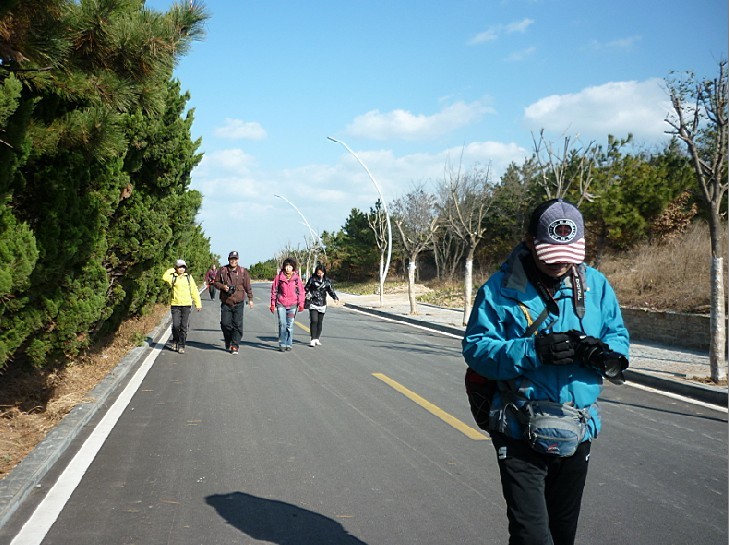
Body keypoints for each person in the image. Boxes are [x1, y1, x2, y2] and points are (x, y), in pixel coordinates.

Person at [462, 199, 629, 545]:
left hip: (577, 428)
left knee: (562, 534)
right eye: (552, 255)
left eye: (570, 256)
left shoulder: (596, 286)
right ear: (528, 240)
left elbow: (618, 334)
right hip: (519, 429)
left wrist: (605, 354)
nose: (562, 265)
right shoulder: (498, 290)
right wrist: (533, 350)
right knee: (532, 536)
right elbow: (476, 349)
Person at [213, 251, 254, 354]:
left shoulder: (243, 272)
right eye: (232, 259)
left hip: (239, 302)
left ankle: (235, 345)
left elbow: (247, 286)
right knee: (225, 324)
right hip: (226, 302)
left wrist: (250, 298)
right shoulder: (222, 271)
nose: (233, 261)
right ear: (229, 259)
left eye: (235, 259)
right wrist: (223, 287)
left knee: (237, 324)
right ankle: (228, 340)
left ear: (238, 260)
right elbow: (215, 283)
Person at [162, 259, 202, 354]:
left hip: (186, 305)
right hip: (175, 305)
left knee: (184, 326)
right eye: (180, 267)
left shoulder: (188, 277)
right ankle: (175, 340)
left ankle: (181, 345)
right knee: (176, 325)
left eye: (183, 267)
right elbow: (164, 277)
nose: (182, 269)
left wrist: (198, 303)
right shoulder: (173, 277)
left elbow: (194, 291)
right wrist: (172, 270)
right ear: (176, 267)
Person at [269, 257, 305, 351]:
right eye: (286, 266)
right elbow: (274, 291)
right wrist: (273, 303)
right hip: (281, 303)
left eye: (290, 266)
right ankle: (282, 343)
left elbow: (301, 292)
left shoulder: (296, 279)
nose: (288, 268)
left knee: (290, 325)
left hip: (293, 304)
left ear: (293, 268)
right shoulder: (279, 277)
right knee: (282, 323)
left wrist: (301, 304)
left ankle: (289, 343)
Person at [304, 264, 340, 347]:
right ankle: (312, 339)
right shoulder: (312, 279)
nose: (320, 274)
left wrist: (335, 298)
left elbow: (331, 291)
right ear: (316, 272)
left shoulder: (327, 281)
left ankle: (317, 338)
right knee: (314, 320)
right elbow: (306, 288)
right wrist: (306, 294)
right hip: (313, 302)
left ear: (324, 272)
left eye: (322, 273)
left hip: (322, 303)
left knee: (320, 322)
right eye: (318, 273)